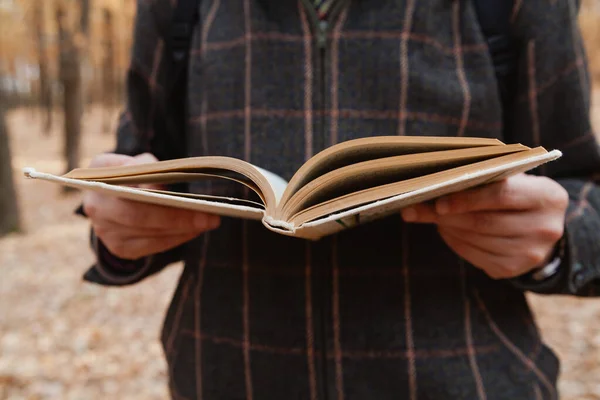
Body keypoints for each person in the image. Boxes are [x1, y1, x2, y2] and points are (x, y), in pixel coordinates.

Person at [79, 0, 600, 398]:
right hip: (221, 377)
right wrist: (121, 227)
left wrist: (558, 241)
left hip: (473, 379)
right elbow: (143, 176)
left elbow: (583, 190)